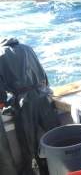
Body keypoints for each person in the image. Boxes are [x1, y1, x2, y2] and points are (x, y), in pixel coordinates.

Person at [0, 38, 60, 175]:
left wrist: (4, 102)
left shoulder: (0, 55)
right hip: (43, 96)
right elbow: (43, 73)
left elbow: (0, 91)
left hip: (24, 104)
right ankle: (60, 166)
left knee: (28, 145)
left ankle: (35, 171)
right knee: (56, 135)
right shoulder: (28, 48)